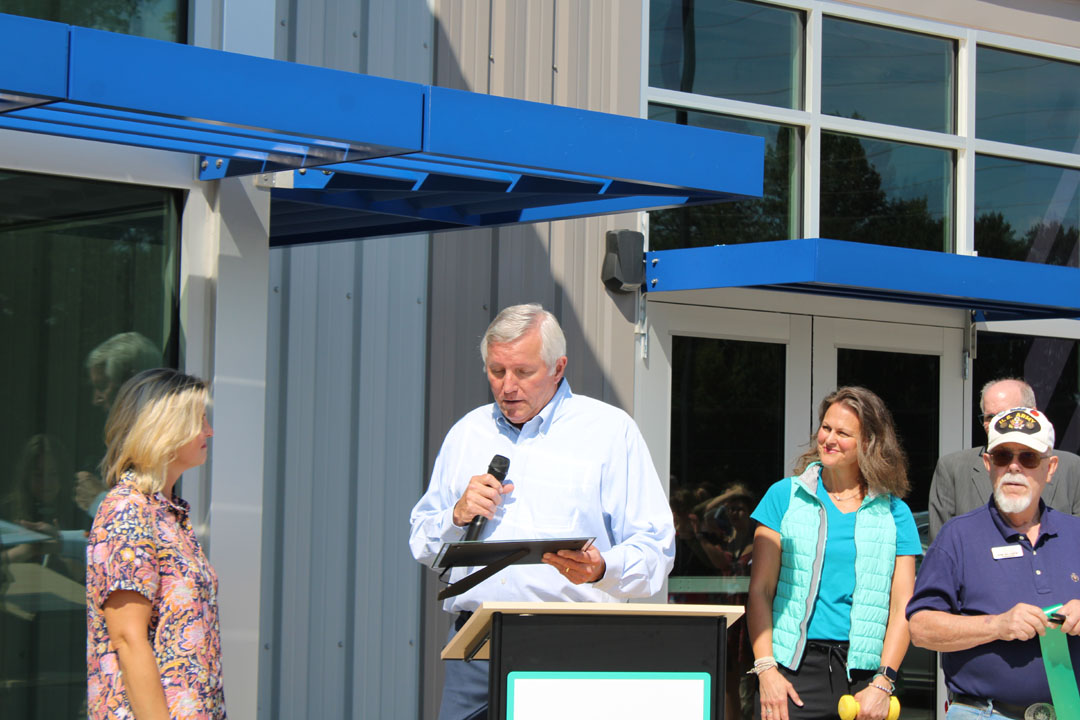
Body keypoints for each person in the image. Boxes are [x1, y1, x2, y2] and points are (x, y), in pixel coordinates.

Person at [409, 303, 675, 720]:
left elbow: (656, 547)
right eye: (496, 372)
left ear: (558, 367)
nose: (507, 386)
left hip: (572, 642)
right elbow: (422, 543)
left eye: (523, 372)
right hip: (476, 646)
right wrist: (454, 517)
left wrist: (603, 567)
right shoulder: (467, 433)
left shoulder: (609, 431)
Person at [746, 386, 921, 720]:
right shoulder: (784, 497)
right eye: (826, 428)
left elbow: (903, 607)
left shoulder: (895, 514)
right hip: (791, 671)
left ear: (869, 442)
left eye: (843, 433)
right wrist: (766, 670)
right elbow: (760, 591)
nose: (829, 439)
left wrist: (883, 683)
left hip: (864, 678)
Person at [907, 407, 1080, 719]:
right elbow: (921, 628)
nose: (1014, 467)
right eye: (1002, 456)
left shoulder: (1076, 534)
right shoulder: (957, 537)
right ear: (988, 464)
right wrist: (998, 625)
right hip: (982, 713)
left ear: (1050, 467)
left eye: (1028, 457)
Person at [85, 368, 224, 719]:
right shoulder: (128, 511)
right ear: (164, 426)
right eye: (199, 419)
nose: (209, 430)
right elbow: (128, 640)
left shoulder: (165, 513)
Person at [927, 377, 1080, 540]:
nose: (995, 424)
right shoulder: (953, 469)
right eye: (989, 417)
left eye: (1005, 415)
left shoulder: (1071, 468)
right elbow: (941, 549)